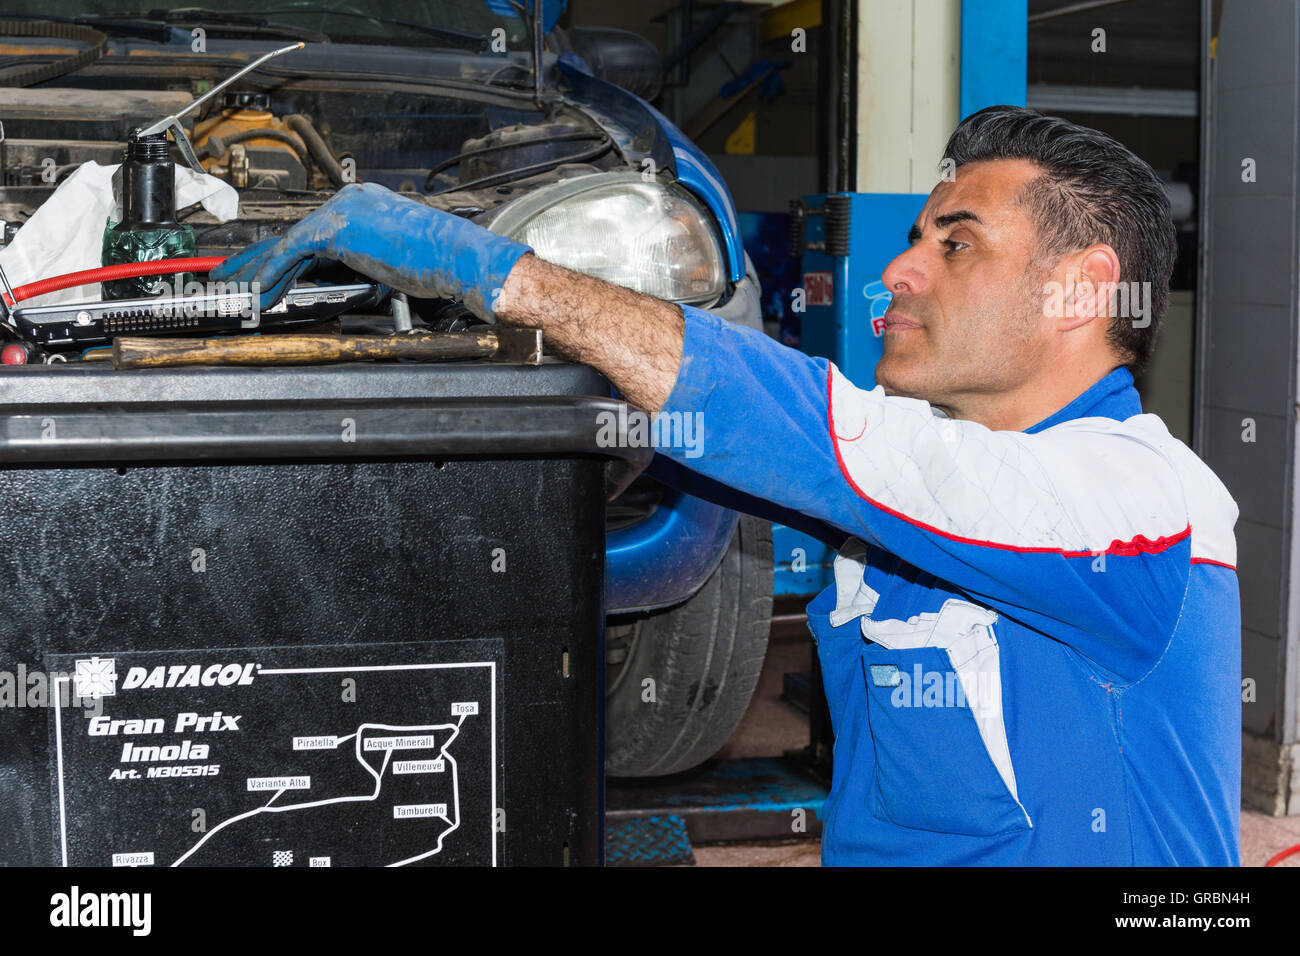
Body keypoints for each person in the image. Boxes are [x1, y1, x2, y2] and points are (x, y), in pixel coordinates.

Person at [213, 105, 1241, 866]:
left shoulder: (1139, 502)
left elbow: (805, 427)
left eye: (955, 243)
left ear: (1082, 286)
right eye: (914, 236)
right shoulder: (898, 495)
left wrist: (491, 269)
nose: (897, 272)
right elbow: (715, 450)